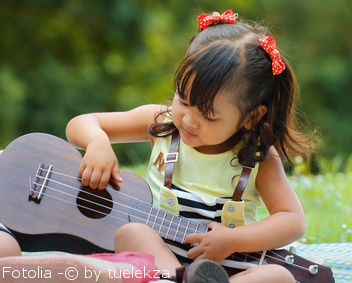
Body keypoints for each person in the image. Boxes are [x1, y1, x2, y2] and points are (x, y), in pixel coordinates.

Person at [65, 9, 315, 283]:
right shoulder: (162, 123)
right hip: (162, 258)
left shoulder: (257, 157)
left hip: (227, 270)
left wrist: (233, 239)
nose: (188, 120)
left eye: (208, 115)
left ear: (250, 116)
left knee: (278, 277)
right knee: (131, 232)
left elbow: (292, 220)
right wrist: (97, 142)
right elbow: (83, 122)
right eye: (183, 99)